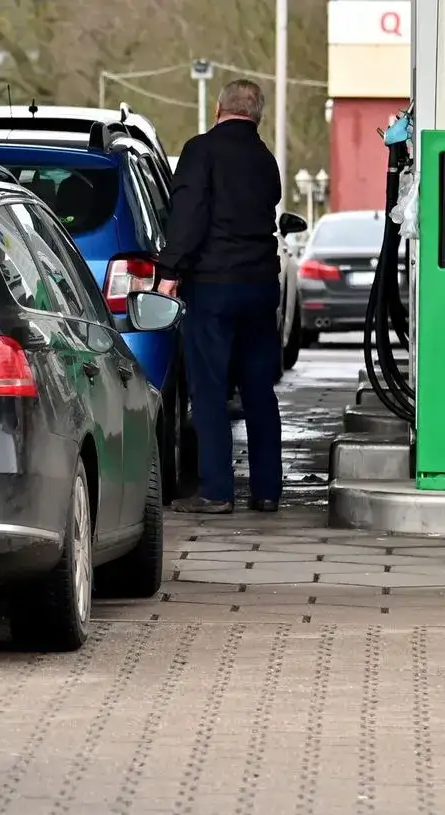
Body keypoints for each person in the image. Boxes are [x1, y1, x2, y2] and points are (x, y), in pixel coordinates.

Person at [155, 79, 283, 515]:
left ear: (218, 108)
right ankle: (267, 491)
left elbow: (188, 216)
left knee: (209, 390)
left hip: (213, 287)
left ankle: (216, 490)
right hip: (261, 287)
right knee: (258, 389)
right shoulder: (267, 161)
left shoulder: (200, 151)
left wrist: (170, 271)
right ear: (257, 114)